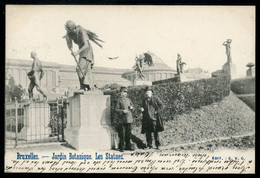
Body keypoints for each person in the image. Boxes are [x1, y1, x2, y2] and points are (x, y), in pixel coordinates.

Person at [64, 20, 103, 91]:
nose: (67, 30)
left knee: (79, 69)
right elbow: (70, 44)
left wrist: (77, 52)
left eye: (68, 29)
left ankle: (83, 87)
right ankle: (88, 86)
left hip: (87, 50)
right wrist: (70, 47)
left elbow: (86, 45)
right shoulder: (70, 33)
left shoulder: (81, 30)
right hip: (81, 52)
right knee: (86, 70)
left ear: (72, 28)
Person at [115, 87, 134, 152]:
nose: (125, 93)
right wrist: (122, 111)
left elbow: (132, 108)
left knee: (128, 133)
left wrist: (132, 108)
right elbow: (116, 109)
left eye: (126, 92)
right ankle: (122, 147)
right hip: (122, 119)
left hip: (129, 119)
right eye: (124, 92)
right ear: (121, 93)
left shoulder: (128, 100)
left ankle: (128, 146)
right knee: (122, 133)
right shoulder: (118, 100)